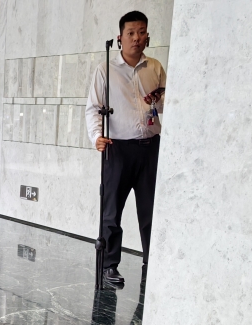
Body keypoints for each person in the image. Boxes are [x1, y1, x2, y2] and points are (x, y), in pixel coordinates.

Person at [85, 10, 166, 289]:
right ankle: (109, 266)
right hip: (117, 149)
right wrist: (97, 136)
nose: (136, 38)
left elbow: (166, 104)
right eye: (131, 33)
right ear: (120, 37)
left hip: (150, 149)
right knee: (111, 212)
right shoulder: (106, 69)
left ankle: (152, 263)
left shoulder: (155, 67)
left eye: (141, 32)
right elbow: (93, 108)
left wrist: (160, 99)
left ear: (147, 36)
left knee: (151, 211)